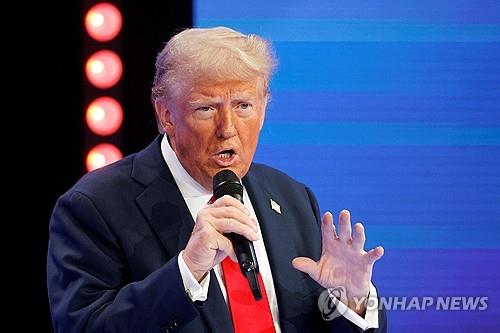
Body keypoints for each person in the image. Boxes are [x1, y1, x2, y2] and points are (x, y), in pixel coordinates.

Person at [47, 26, 387, 333]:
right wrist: (187, 272)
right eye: (206, 108)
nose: (227, 129)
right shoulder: (95, 207)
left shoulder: (292, 198)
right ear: (166, 113)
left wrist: (351, 300)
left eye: (243, 105)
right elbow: (84, 326)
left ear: (265, 106)